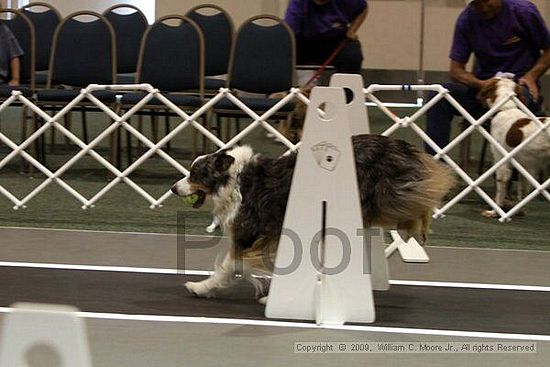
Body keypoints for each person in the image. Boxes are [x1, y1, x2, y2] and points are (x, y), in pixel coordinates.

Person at [425, 0, 550, 155]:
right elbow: (456, 70)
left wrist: (531, 76)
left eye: (486, 1)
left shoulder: (524, 12)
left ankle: (517, 163)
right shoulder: (466, 20)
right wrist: (479, 84)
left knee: (519, 98)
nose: (483, 8)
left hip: (519, 89)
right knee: (438, 96)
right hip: (484, 91)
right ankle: (435, 163)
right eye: (476, 4)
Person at [284, 0, 368, 75]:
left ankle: (346, 89)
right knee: (287, 50)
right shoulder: (298, 4)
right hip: (306, 42)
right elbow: (289, 33)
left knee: (352, 54)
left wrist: (352, 30)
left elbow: (363, 9)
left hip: (336, 42)